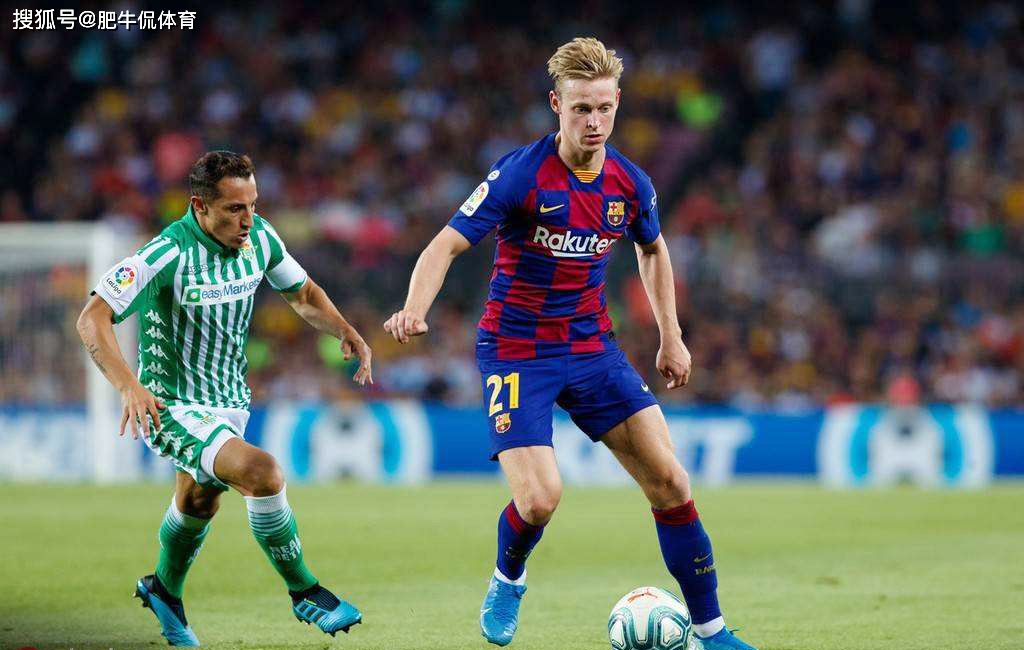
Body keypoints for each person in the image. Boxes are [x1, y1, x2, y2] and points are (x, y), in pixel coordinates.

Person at [384, 38, 757, 649]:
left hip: (591, 348)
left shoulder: (630, 183)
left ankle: (712, 632)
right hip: (516, 350)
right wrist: (414, 309)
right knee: (540, 500)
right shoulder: (520, 174)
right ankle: (508, 578)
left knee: (671, 482)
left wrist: (671, 336)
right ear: (557, 104)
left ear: (618, 104)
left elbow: (653, 250)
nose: (594, 122)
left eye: (604, 108)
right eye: (582, 108)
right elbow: (445, 244)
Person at [76, 151, 372, 646]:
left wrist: (344, 329)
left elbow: (303, 294)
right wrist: (129, 386)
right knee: (262, 472)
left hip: (230, 401)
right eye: (235, 208)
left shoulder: (261, 238)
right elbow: (92, 318)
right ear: (200, 206)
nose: (248, 219)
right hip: (171, 406)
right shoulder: (166, 253)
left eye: (253, 205)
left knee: (199, 501)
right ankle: (305, 591)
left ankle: (163, 590)